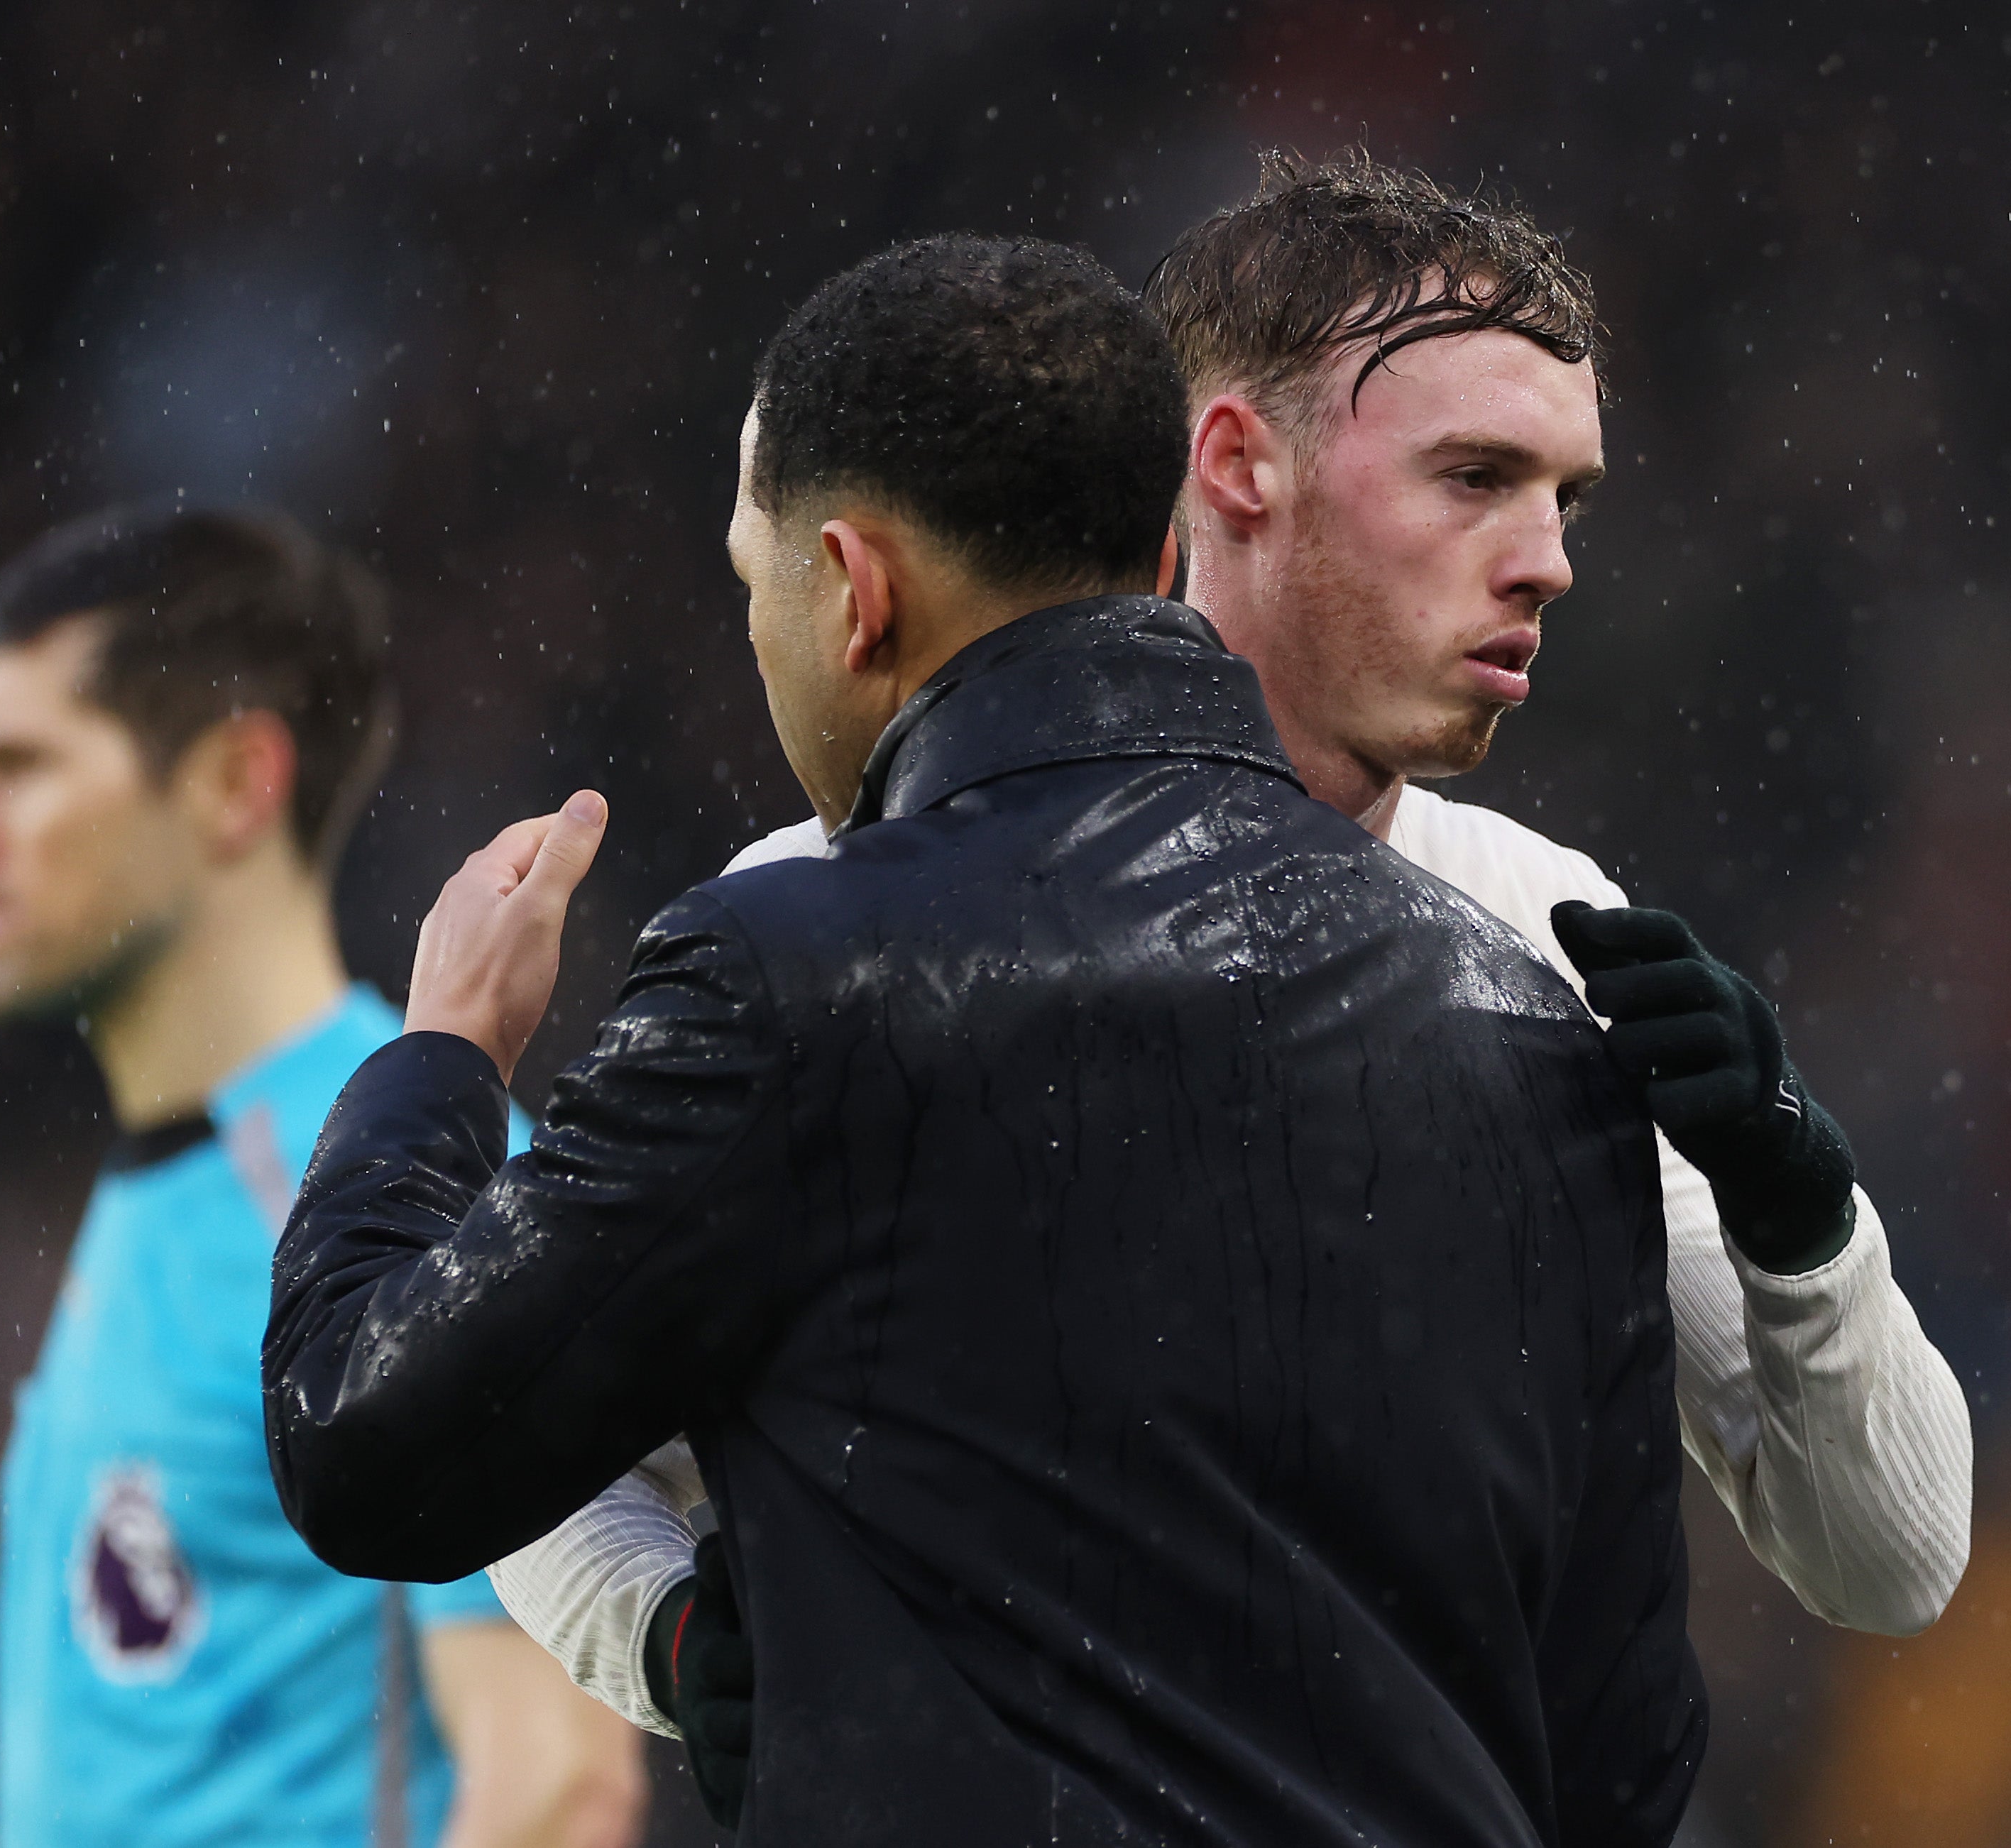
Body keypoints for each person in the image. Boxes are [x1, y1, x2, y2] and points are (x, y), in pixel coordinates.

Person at [491, 156, 1974, 1806]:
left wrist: (1798, 1206)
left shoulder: (1550, 936)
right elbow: (520, 1433)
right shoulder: (822, 925)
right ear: (1233, 466)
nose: (1549, 557)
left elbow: (1891, 1563)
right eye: (1477, 476)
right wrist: (669, 1635)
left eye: (1571, 499)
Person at [262, 234, 1708, 1846]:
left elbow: (366, 1443)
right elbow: (1624, 1763)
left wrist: (445, 1055)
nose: (759, 647)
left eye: (759, 587)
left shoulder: (793, 978)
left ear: (856, 591)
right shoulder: (1531, 1027)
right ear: (1162, 553)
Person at [0, 507, 647, 1848]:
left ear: (235, 781)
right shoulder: (177, 1182)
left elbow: (557, 1785)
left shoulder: (427, 1185)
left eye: (15, 763)